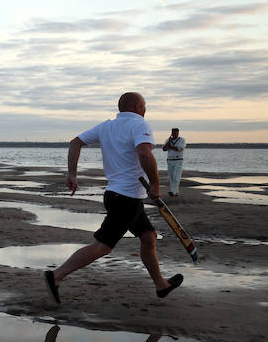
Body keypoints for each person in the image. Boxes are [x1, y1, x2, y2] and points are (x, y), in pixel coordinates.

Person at [43, 92, 183, 304]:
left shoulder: (106, 126)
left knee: (148, 237)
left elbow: (75, 142)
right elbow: (145, 153)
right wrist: (155, 184)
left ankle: (161, 285)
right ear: (137, 106)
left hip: (120, 196)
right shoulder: (139, 124)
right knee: (104, 246)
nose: (145, 110)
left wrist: (72, 174)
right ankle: (56, 276)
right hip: (126, 198)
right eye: (144, 106)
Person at [162, 127, 186, 196]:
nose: (174, 134)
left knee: (176, 177)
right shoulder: (168, 140)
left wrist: (170, 146)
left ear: (178, 133)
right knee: (171, 177)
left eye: (175, 133)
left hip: (178, 160)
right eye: (173, 133)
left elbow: (179, 149)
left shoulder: (182, 140)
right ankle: (176, 191)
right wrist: (169, 142)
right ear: (171, 133)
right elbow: (164, 149)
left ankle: (172, 191)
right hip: (169, 160)